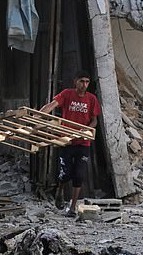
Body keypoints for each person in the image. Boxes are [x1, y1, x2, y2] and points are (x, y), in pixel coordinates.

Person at [40, 70, 101, 217]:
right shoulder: (67, 94)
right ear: (75, 81)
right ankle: (60, 190)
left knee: (79, 175)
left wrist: (88, 129)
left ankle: (73, 208)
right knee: (65, 174)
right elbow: (52, 105)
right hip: (66, 141)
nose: (84, 84)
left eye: (87, 82)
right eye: (82, 81)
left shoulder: (91, 99)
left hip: (83, 143)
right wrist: (39, 114)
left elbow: (94, 120)